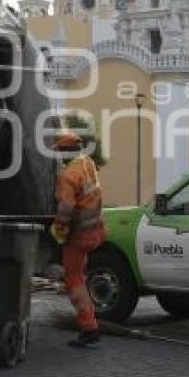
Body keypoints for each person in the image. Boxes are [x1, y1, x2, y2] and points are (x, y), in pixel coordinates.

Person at [49, 131, 106, 348]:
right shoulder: (88, 163)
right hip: (95, 230)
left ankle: (89, 328)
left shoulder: (68, 175)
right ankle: (90, 324)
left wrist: (57, 234)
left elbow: (65, 211)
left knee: (74, 281)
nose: (59, 156)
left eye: (60, 151)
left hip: (79, 235)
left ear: (65, 150)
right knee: (80, 276)